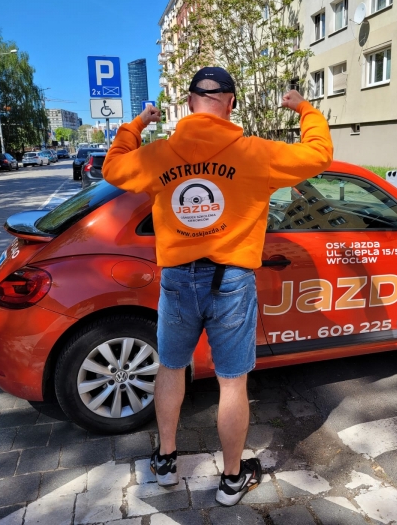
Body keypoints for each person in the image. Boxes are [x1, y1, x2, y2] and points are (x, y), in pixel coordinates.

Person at [102, 67, 333, 506]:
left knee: (171, 367)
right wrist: (303, 108)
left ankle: (165, 463)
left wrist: (137, 125)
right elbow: (319, 154)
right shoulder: (256, 153)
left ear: (190, 102)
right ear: (230, 103)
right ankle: (231, 480)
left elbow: (112, 167)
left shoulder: (159, 155)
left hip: (177, 278)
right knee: (231, 382)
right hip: (232, 279)